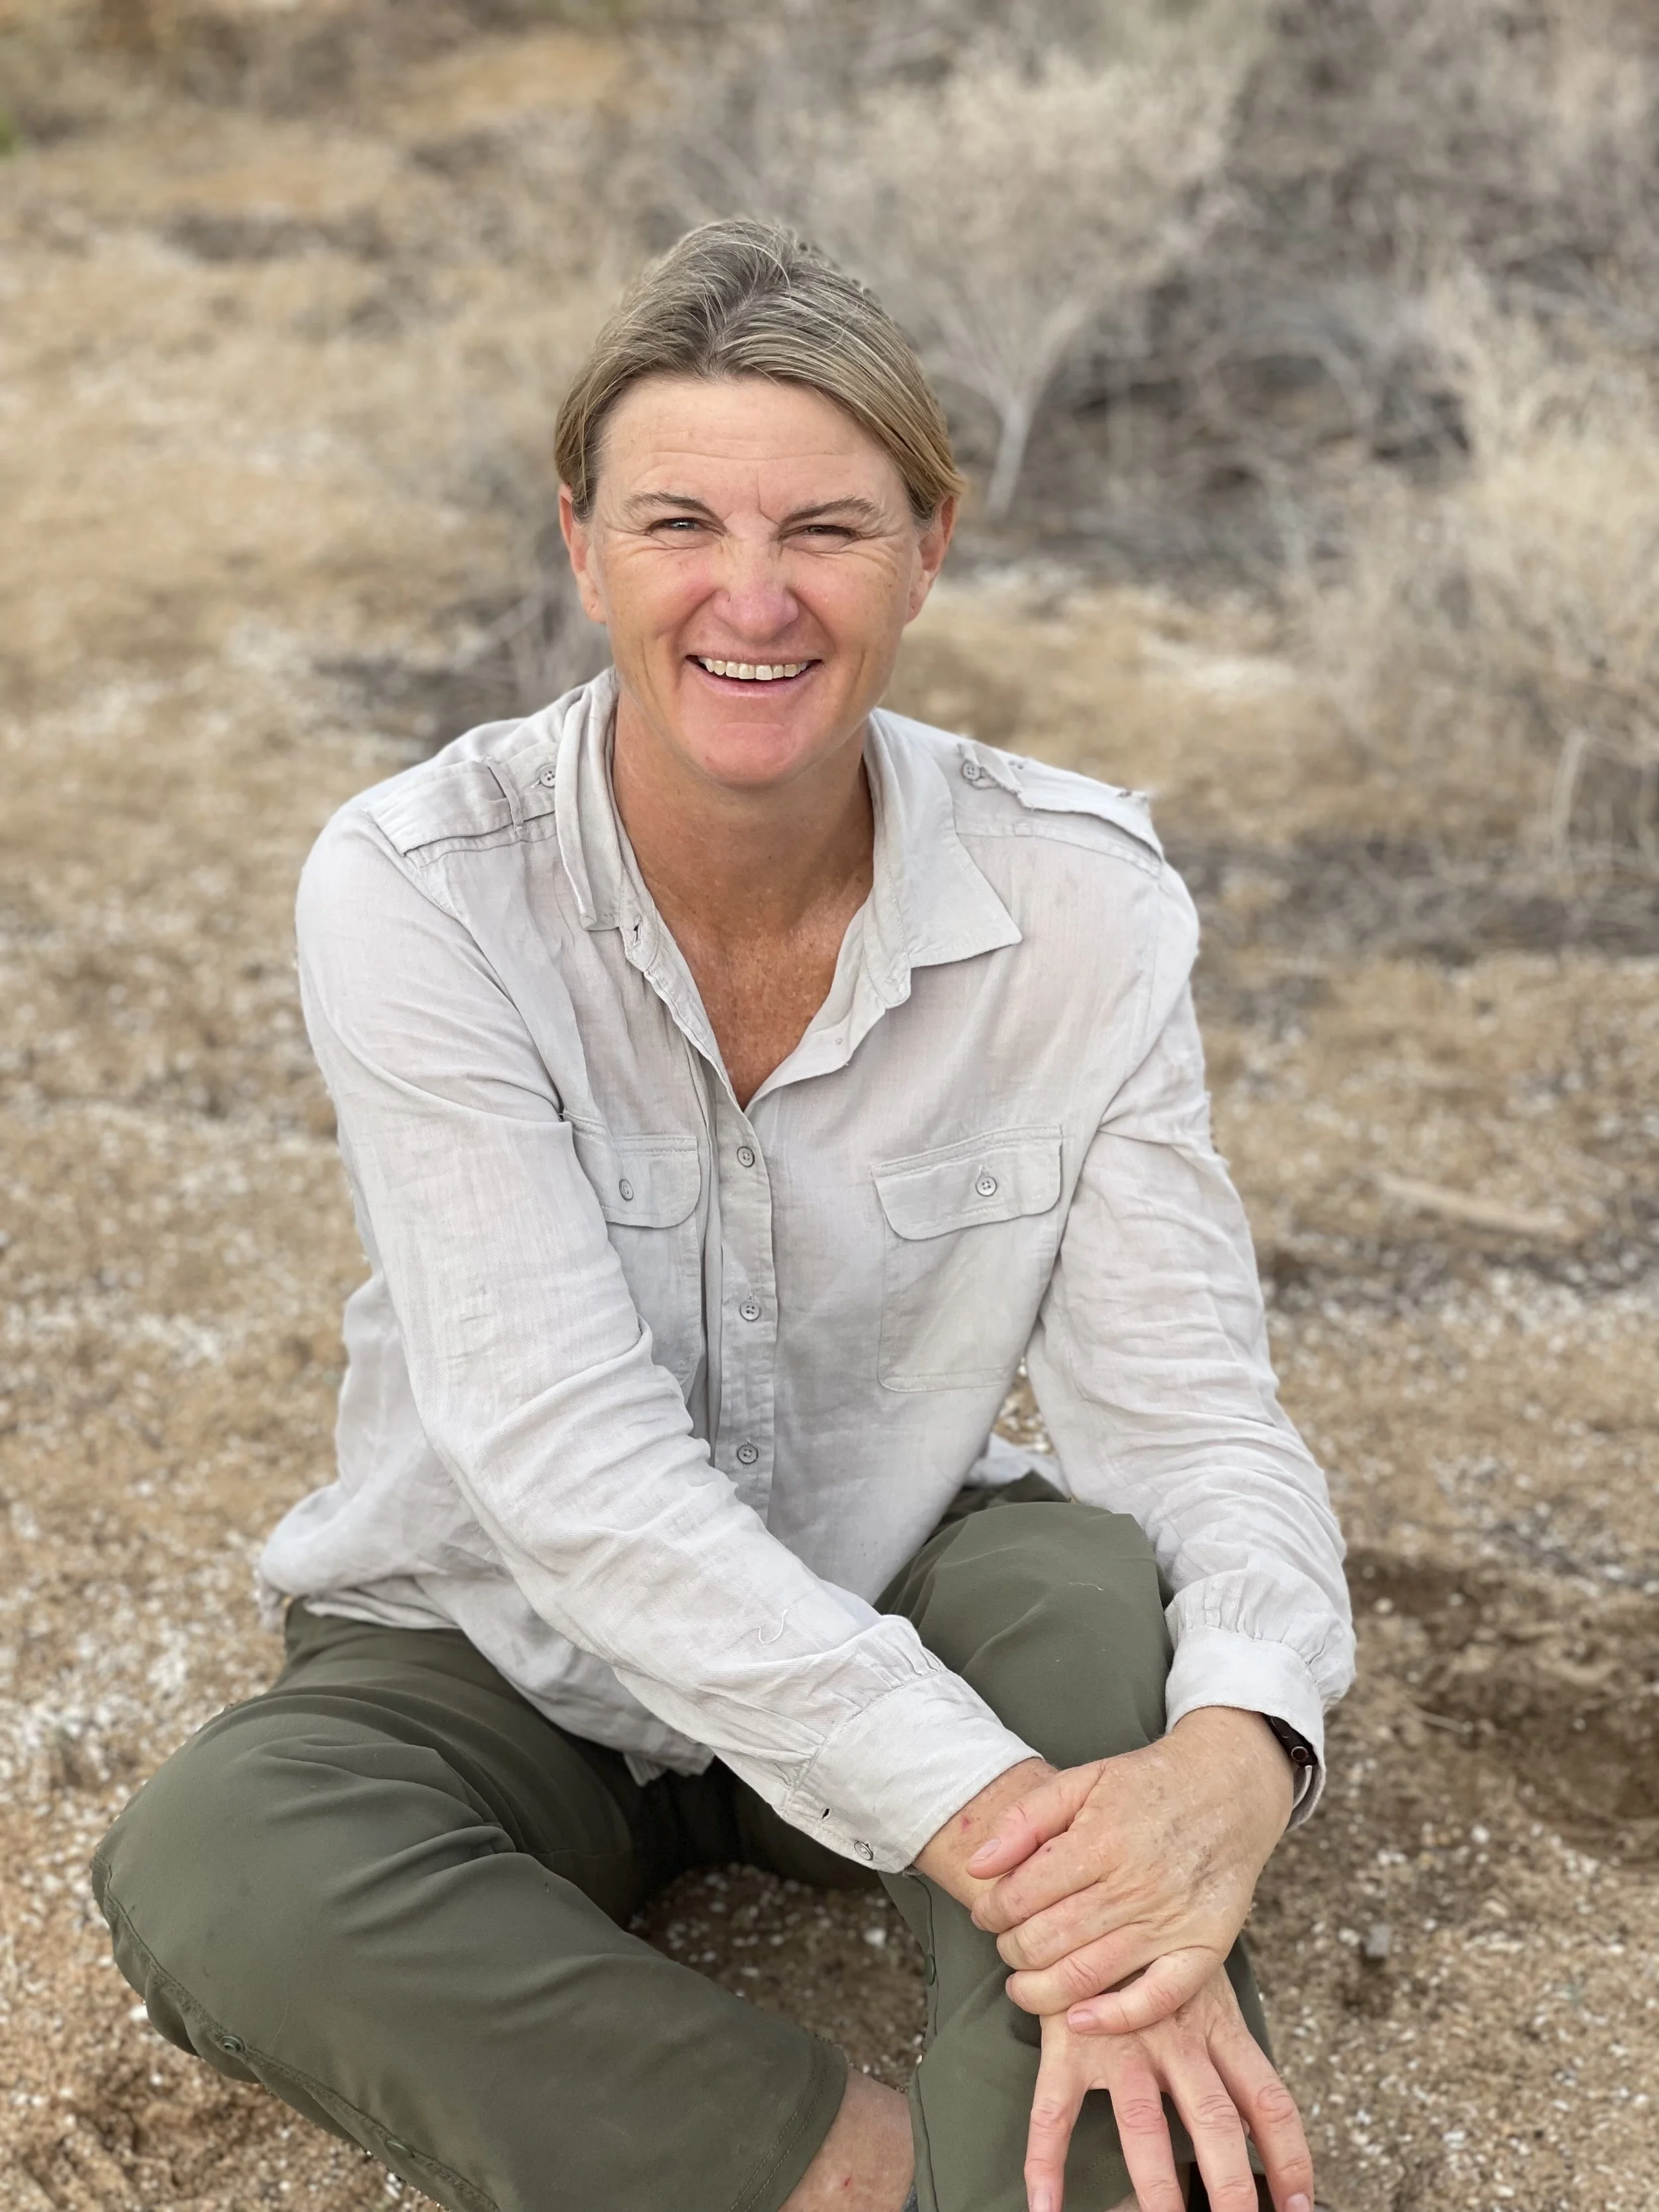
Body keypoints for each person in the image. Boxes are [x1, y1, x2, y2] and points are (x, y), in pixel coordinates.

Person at [92, 218, 1353, 2212]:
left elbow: (1190, 1416)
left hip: (894, 1577)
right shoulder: (421, 889)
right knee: (227, 1862)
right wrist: (1011, 1821)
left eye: (825, 529)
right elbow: (564, 1470)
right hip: (500, 1645)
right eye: (679, 521)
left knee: (1090, 1603)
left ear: (926, 550)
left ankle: (1078, 2149)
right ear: (583, 546)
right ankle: (883, 2180)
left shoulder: (1083, 898)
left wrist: (1234, 1758)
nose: (750, 597)